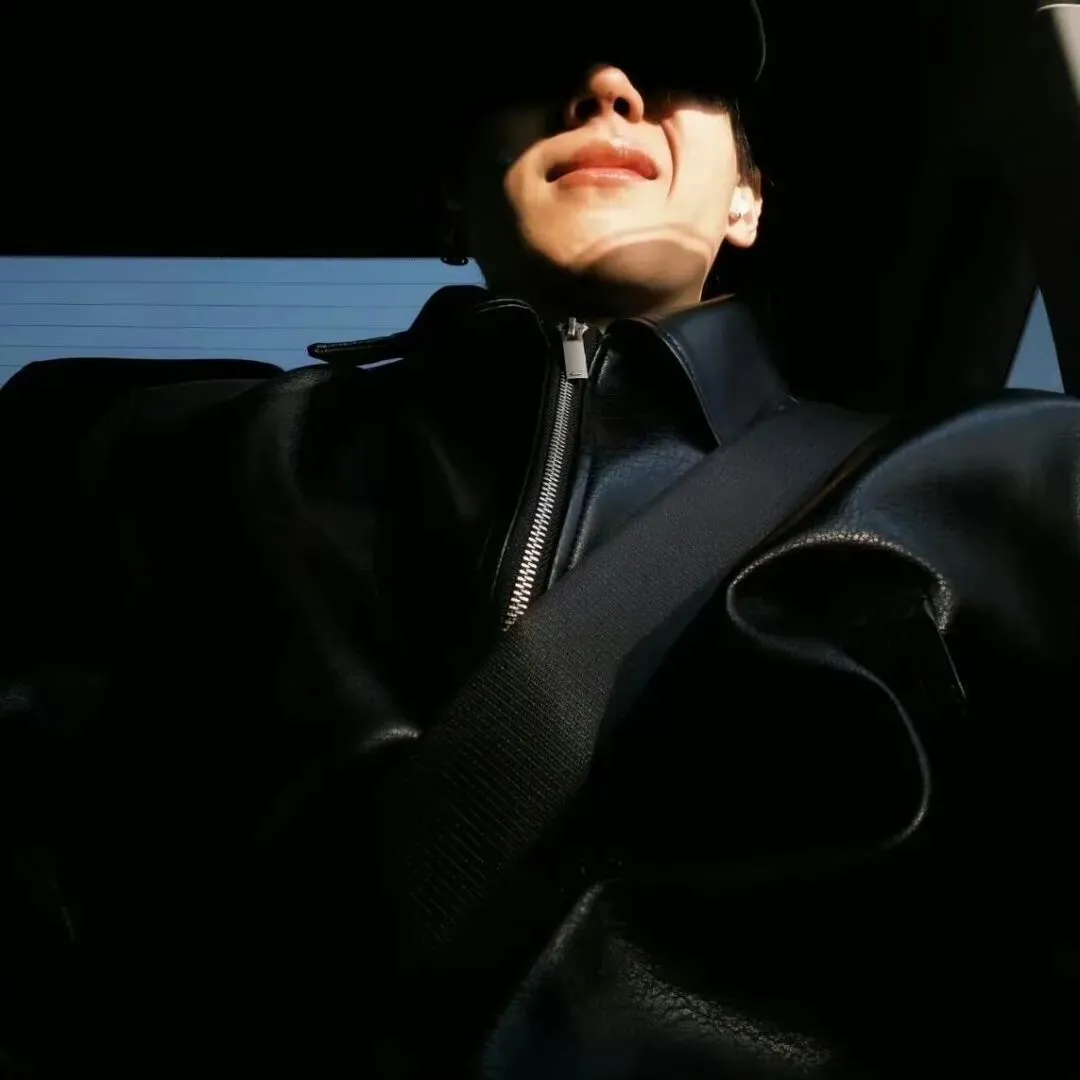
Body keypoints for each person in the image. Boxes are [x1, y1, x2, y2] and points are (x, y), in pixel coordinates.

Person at [14, 5, 1080, 1077]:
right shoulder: (151, 452)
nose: (608, 86)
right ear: (452, 199)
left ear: (747, 202)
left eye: (675, 69)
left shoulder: (1000, 480)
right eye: (536, 65)